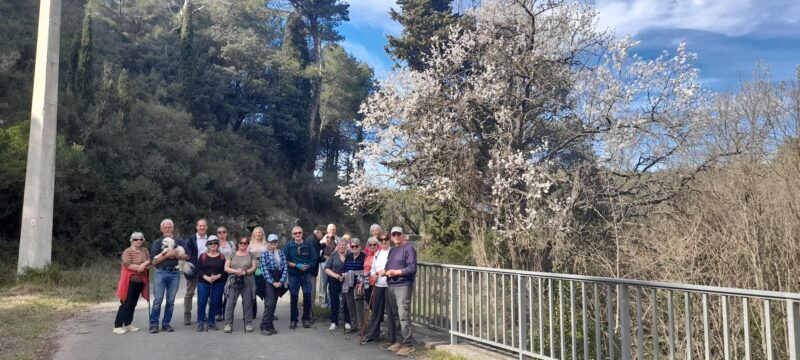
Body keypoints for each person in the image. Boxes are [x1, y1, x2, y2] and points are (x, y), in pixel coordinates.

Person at [149, 219, 190, 333]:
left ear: (173, 228)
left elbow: (187, 256)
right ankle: (154, 324)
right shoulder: (157, 242)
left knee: (170, 301)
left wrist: (175, 256)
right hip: (160, 272)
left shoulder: (180, 241)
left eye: (169, 227)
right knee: (158, 300)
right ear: (161, 229)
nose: (167, 229)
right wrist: (167, 255)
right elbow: (153, 262)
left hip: (175, 273)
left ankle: (166, 324)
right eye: (165, 227)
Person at [384, 226, 418, 356]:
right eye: (394, 234)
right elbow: (388, 266)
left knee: (403, 315)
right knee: (396, 316)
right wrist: (384, 272)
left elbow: (412, 268)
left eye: (398, 234)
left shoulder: (409, 248)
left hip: (403, 285)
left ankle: (408, 344)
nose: (396, 236)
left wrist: (396, 272)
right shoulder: (392, 250)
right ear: (391, 236)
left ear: (403, 235)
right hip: (391, 285)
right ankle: (399, 341)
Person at [113, 231, 150, 334]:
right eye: (135, 239)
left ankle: (128, 324)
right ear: (131, 240)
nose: (138, 241)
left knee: (133, 304)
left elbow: (149, 259)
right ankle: (117, 326)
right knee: (125, 303)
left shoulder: (144, 250)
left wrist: (144, 264)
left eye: (140, 239)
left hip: (140, 280)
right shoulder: (127, 251)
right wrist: (140, 267)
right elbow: (127, 265)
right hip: (129, 281)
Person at [283, 225, 318, 329]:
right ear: (292, 235)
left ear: (302, 233)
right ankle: (293, 320)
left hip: (306, 274)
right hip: (293, 274)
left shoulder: (308, 244)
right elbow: (284, 259)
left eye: (299, 232)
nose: (297, 234)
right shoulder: (288, 245)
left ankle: (306, 319)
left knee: (307, 295)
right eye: (295, 233)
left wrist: (309, 266)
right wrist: (295, 265)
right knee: (294, 296)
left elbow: (314, 258)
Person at [223, 236, 258, 333]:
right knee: (230, 303)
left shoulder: (251, 255)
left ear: (248, 244)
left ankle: (248, 323)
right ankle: (228, 324)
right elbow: (226, 268)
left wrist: (245, 272)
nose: (243, 244)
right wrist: (236, 271)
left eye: (245, 243)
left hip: (247, 280)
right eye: (241, 243)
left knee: (247, 303)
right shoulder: (232, 255)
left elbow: (254, 268)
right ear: (238, 244)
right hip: (233, 280)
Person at [362, 232, 391, 344]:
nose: (384, 241)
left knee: (390, 311)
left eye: (386, 239)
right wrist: (373, 275)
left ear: (389, 240)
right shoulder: (377, 253)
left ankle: (391, 338)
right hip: (378, 285)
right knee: (376, 311)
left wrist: (378, 274)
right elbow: (373, 267)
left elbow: (389, 267)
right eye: (381, 240)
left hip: (389, 285)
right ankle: (373, 335)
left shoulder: (392, 252)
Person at [259, 234, 287, 335]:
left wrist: (281, 281)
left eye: (275, 242)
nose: (273, 244)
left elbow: (285, 267)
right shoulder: (264, 253)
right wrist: (273, 282)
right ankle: (263, 326)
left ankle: (270, 325)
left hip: (279, 280)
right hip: (269, 281)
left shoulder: (281, 252)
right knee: (269, 304)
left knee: (274, 304)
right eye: (271, 242)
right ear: (268, 243)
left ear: (277, 243)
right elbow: (264, 269)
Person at [184, 218, 210, 325]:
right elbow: (187, 254)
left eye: (204, 226)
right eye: (200, 226)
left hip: (207, 269)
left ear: (206, 227)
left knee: (203, 294)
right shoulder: (191, 239)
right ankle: (187, 314)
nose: (202, 227)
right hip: (193, 269)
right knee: (190, 293)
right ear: (197, 227)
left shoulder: (210, 239)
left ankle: (202, 314)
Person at [196, 237, 225, 331]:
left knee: (214, 302)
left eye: (215, 243)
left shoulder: (221, 256)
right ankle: (200, 322)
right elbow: (198, 270)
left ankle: (211, 322)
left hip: (218, 283)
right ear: (207, 245)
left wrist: (218, 276)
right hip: (203, 282)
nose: (213, 245)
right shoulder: (203, 256)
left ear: (218, 245)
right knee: (202, 302)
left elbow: (224, 270)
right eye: (210, 243)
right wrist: (206, 277)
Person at [324, 240, 349, 331]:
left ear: (346, 246)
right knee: (335, 302)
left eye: (343, 245)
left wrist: (345, 275)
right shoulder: (333, 255)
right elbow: (326, 268)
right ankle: (334, 322)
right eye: (340, 245)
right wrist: (336, 276)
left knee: (346, 301)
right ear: (337, 246)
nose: (341, 246)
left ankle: (347, 321)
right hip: (334, 280)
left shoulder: (349, 255)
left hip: (346, 280)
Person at [343, 238, 366, 333]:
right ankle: (354, 325)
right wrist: (344, 274)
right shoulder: (348, 256)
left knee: (359, 306)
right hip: (348, 283)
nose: (354, 248)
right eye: (352, 246)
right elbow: (344, 268)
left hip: (359, 283)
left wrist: (361, 280)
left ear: (360, 246)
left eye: (356, 246)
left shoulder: (364, 256)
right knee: (350, 305)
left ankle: (362, 328)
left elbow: (365, 270)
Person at [249, 227, 269, 319]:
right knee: (252, 290)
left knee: (266, 291)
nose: (257, 234)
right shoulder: (249, 245)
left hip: (264, 269)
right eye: (256, 233)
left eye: (259, 233)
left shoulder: (266, 245)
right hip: (252, 269)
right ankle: (252, 313)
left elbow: (270, 257)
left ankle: (268, 313)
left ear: (262, 234)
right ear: (253, 234)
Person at [215, 226, 234, 321]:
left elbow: (234, 256)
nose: (222, 234)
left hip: (229, 271)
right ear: (217, 234)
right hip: (218, 271)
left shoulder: (231, 244)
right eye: (219, 232)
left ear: (226, 233)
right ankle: (218, 312)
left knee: (228, 292)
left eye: (224, 232)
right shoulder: (214, 244)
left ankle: (226, 311)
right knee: (218, 292)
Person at [319, 223, 340, 307]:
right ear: (327, 230)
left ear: (335, 230)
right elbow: (318, 250)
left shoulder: (338, 239)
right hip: (323, 262)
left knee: (332, 282)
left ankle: (331, 302)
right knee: (324, 282)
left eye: (333, 229)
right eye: (330, 229)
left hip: (333, 263)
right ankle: (324, 300)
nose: (332, 231)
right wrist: (323, 257)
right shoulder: (322, 239)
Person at [306, 225, 324, 309]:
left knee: (311, 292)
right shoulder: (312, 240)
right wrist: (325, 258)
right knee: (311, 292)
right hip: (311, 270)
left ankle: (310, 312)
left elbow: (318, 247)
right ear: (317, 232)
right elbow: (315, 257)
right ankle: (310, 313)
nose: (323, 236)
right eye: (322, 233)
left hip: (311, 270)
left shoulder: (313, 239)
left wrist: (324, 244)